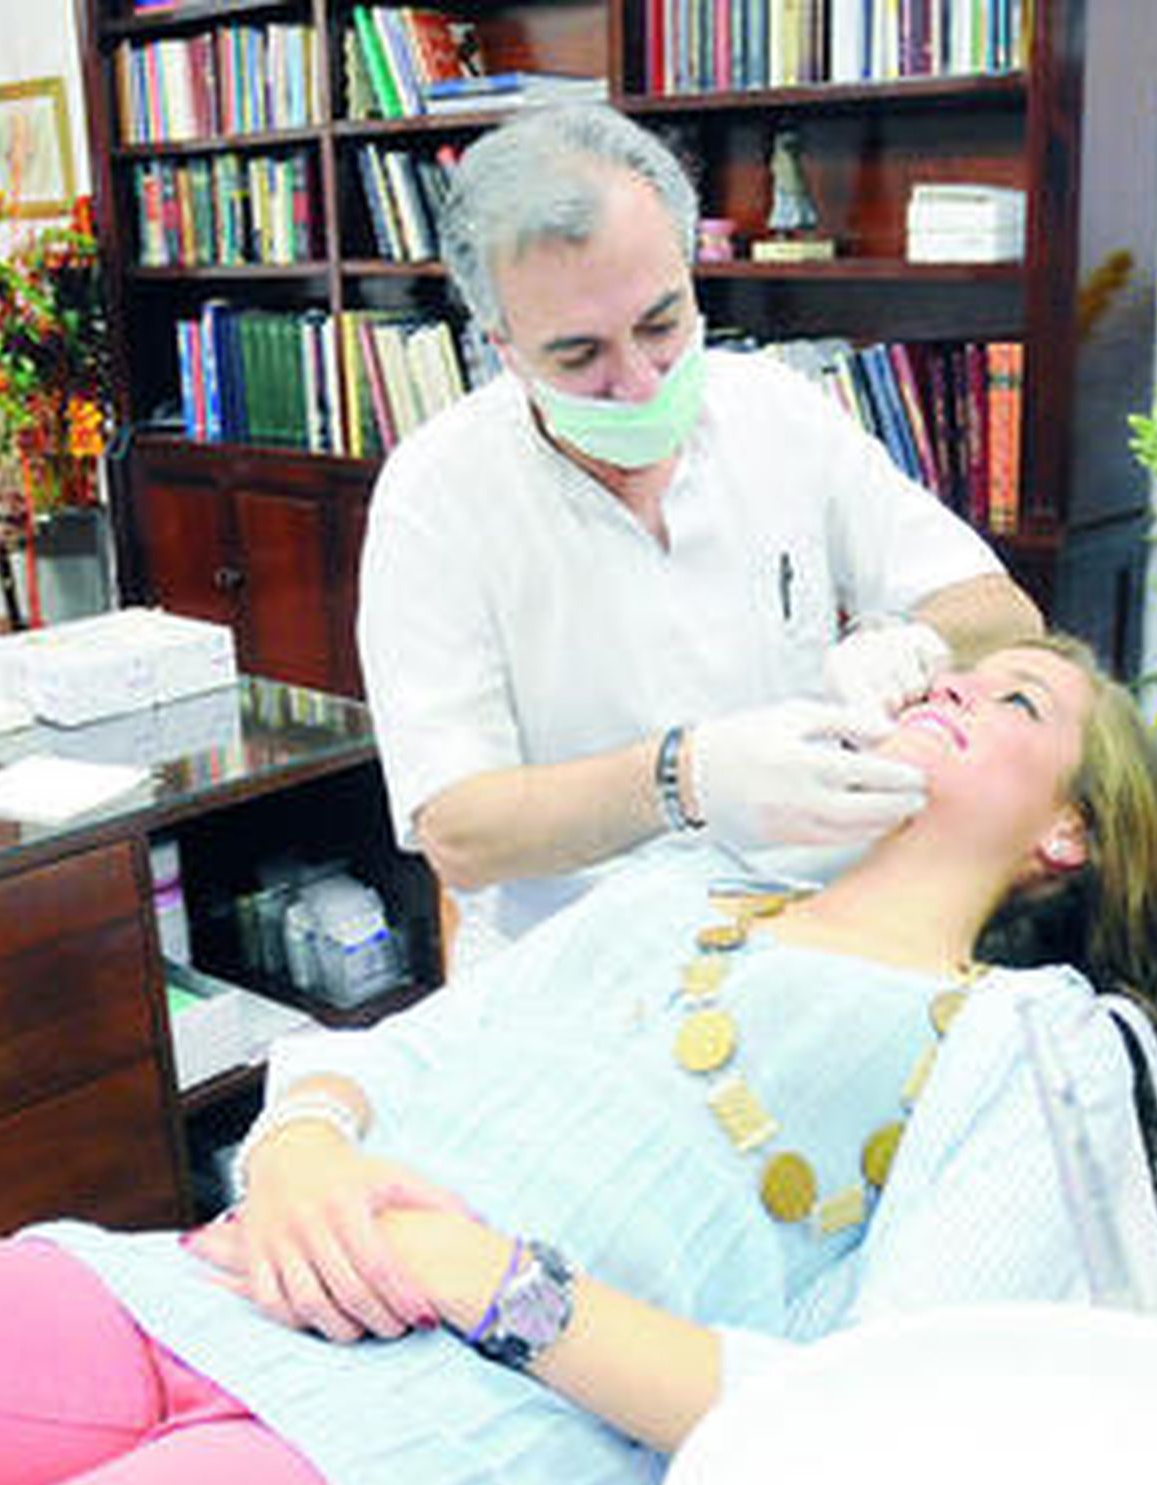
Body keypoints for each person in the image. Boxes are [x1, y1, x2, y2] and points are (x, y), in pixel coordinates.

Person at [0, 635, 1157, 1485]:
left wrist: (481, 1275)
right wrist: (298, 1153)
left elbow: (875, 1425)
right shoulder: (688, 886)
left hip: (460, 1438)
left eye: (1012, 693)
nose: (955, 681)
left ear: (1070, 831)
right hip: (231, 1279)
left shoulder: (1025, 1040)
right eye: (955, 669)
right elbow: (395, 1050)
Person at [356, 104, 1043, 962]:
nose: (640, 384)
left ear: (689, 274)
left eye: (661, 324)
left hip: (812, 927)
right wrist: (683, 779)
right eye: (579, 356)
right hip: (577, 965)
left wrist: (914, 642)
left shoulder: (775, 408)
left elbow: (1007, 614)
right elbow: (461, 825)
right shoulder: (437, 496)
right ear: (502, 345)